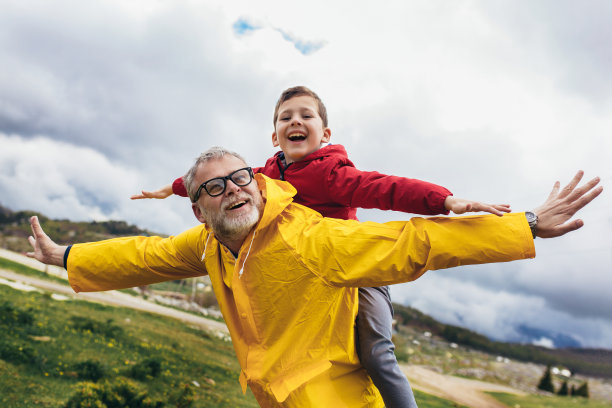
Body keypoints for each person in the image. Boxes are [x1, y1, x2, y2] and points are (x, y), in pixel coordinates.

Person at [28, 146, 602, 407]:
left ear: (257, 181)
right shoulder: (207, 243)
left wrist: (525, 225)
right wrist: (68, 256)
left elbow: (417, 239)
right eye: (212, 187)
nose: (231, 188)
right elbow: (145, 255)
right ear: (198, 209)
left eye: (239, 177)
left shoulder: (309, 238)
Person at [131, 86, 512, 408]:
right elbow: (215, 180)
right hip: (310, 277)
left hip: (356, 273)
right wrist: (174, 187)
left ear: (325, 134)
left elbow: (385, 187)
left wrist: (445, 202)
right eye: (286, 117)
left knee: (377, 355)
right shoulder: (265, 176)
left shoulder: (332, 174)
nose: (296, 121)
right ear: (275, 136)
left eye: (306, 116)